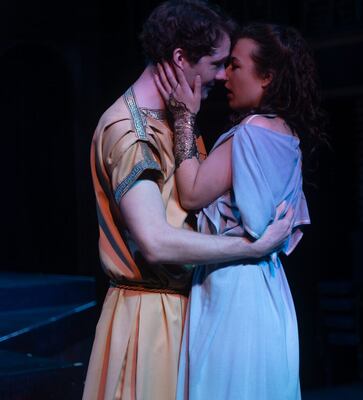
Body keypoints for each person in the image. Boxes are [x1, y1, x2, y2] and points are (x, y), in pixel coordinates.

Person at [84, 3, 294, 400]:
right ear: (181, 58)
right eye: (216, 63)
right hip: (152, 321)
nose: (222, 75)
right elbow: (156, 241)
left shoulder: (176, 117)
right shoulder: (130, 130)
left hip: (186, 311)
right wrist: (252, 246)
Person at [155, 22, 326, 399]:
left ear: (266, 77)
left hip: (234, 288)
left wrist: (184, 118)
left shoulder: (249, 133)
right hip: (268, 287)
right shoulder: (288, 135)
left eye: (235, 66)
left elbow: (193, 194)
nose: (225, 75)